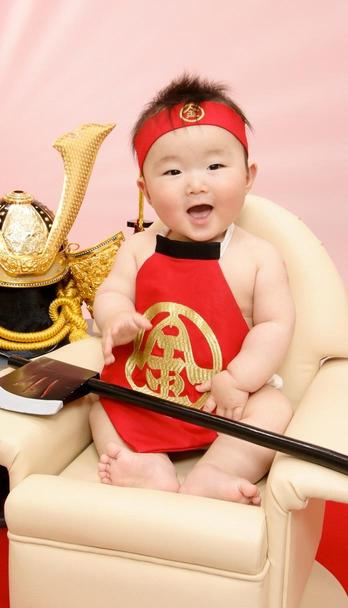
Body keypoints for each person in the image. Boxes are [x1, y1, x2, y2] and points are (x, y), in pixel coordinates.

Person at [89, 74, 295, 505]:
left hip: (221, 401)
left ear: (248, 176)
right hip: (146, 394)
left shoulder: (258, 257)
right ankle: (146, 464)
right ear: (145, 190)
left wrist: (238, 380)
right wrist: (115, 316)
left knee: (274, 409)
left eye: (215, 167)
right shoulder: (138, 249)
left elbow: (274, 326)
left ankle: (218, 471)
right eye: (173, 171)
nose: (195, 184)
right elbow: (111, 292)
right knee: (100, 403)